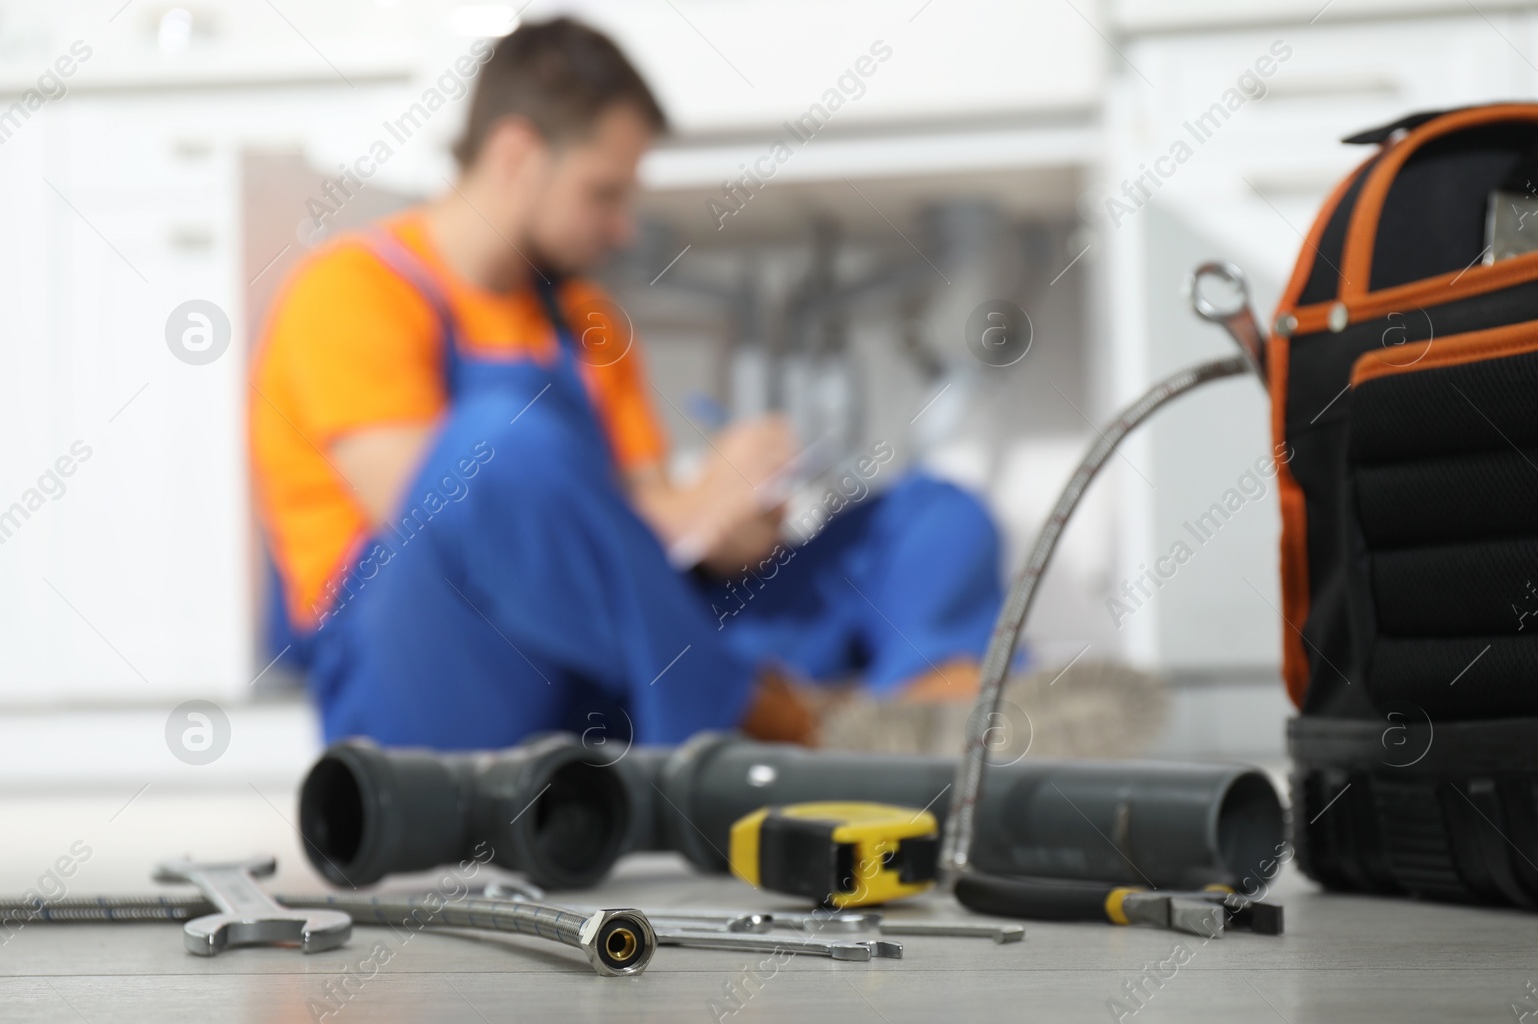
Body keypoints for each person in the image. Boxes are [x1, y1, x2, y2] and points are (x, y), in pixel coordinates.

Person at [249, 17, 1003, 750]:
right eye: (604, 193)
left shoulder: (587, 319)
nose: (620, 227)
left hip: (612, 661)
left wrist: (716, 518)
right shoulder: (352, 290)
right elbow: (435, 513)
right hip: (434, 668)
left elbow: (644, 514)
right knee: (497, 440)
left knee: (935, 512)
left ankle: (921, 715)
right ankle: (760, 714)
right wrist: (669, 523)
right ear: (516, 155)